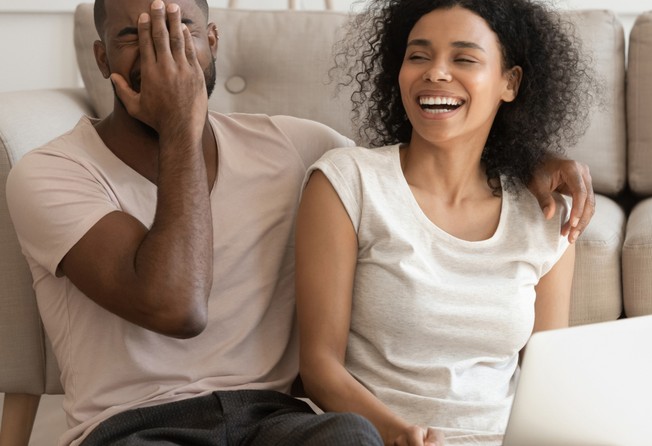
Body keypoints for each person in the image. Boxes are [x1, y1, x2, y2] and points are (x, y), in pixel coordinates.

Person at [6, 0, 593, 445]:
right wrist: (182, 125)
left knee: (349, 439)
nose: (165, 54)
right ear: (102, 57)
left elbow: (422, 160)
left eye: (181, 30)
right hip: (134, 425)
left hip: (273, 417)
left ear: (212, 42)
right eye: (134, 36)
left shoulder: (294, 146)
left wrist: (531, 161)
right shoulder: (50, 172)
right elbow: (176, 305)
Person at [295, 0, 597, 445]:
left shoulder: (544, 215)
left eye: (463, 58)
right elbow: (320, 369)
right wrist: (399, 435)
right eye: (418, 55)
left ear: (509, 83)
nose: (435, 72)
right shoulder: (348, 182)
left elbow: (548, 380)